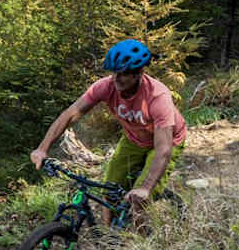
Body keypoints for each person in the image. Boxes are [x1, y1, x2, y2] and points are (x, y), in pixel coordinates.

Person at [30, 39, 187, 225]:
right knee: (109, 190)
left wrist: (145, 188)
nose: (116, 78)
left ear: (139, 73)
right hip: (134, 139)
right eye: (114, 72)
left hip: (166, 142)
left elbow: (163, 150)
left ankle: (137, 247)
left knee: (138, 202)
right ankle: (107, 239)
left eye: (124, 74)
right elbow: (70, 115)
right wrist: (42, 149)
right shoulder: (105, 86)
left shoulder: (157, 96)